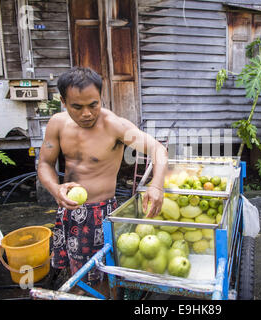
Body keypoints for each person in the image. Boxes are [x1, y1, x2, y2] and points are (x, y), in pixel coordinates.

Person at [37, 67, 168, 296]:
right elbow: (45, 164)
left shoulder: (113, 126)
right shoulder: (57, 124)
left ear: (101, 98)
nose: (87, 113)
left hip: (100, 214)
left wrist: (156, 185)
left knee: (106, 277)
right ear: (63, 101)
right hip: (68, 211)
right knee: (77, 273)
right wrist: (55, 188)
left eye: (93, 104)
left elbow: (158, 148)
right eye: (77, 107)